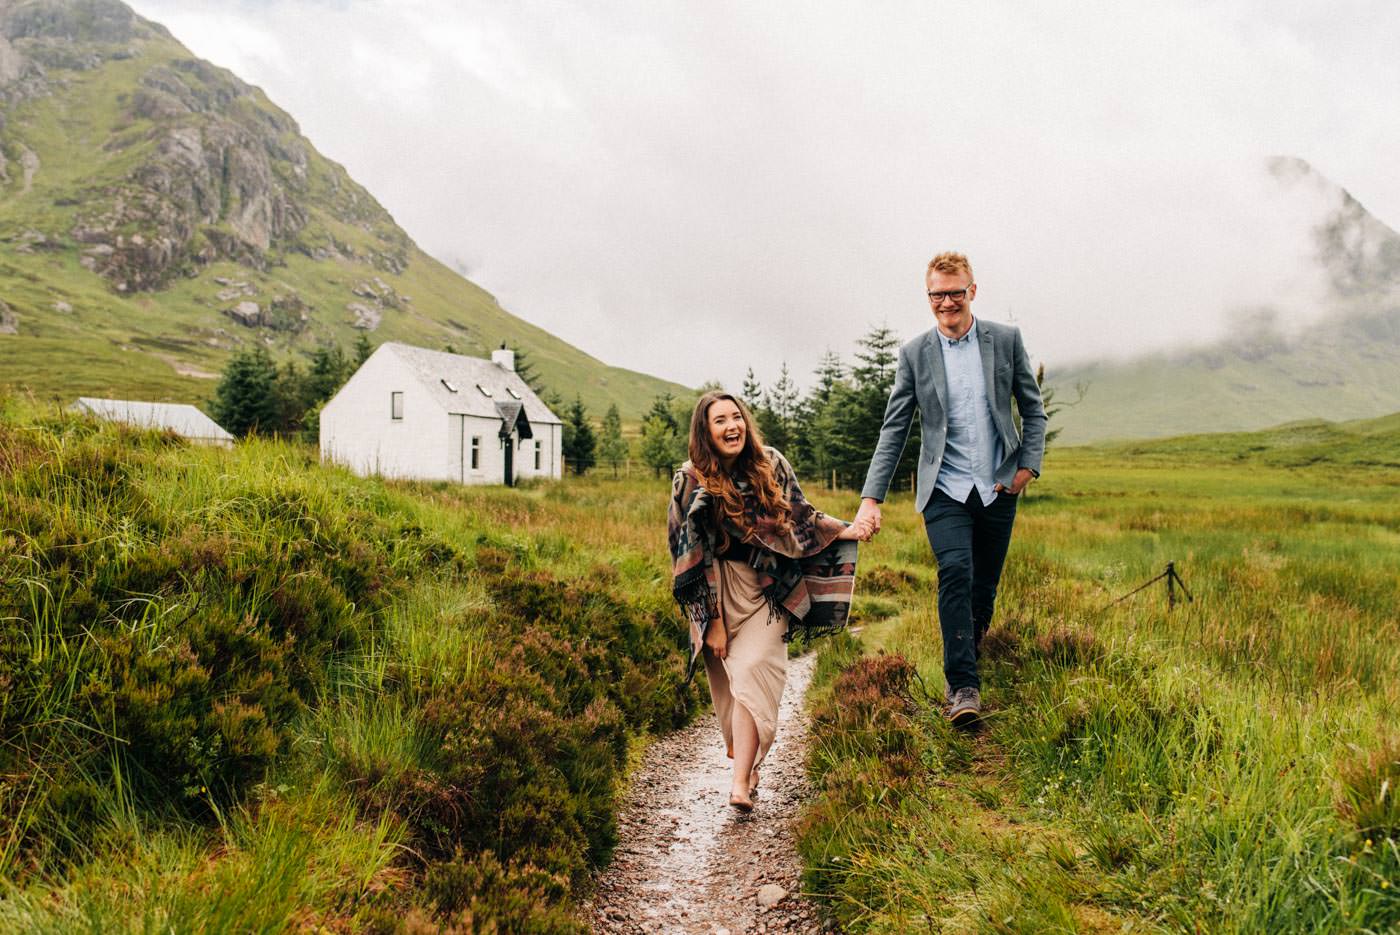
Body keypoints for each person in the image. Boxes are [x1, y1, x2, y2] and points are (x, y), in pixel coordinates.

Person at [855, 252, 1046, 727]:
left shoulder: (1005, 340)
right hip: (944, 488)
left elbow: (1033, 409)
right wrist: (870, 499)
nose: (946, 303)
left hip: (998, 486)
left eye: (954, 292)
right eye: (936, 295)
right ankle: (962, 687)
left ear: (972, 291)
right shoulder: (915, 353)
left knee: (983, 589)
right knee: (956, 571)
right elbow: (893, 429)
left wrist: (1027, 468)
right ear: (929, 296)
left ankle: (970, 654)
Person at [669, 391, 869, 811]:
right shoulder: (689, 480)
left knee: (755, 675)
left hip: (767, 589)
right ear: (705, 432)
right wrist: (713, 621)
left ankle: (739, 784)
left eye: (736, 417)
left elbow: (801, 517)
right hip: (717, 589)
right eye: (719, 420)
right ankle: (750, 764)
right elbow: (685, 554)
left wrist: (847, 530)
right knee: (732, 690)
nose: (731, 426)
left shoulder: (770, 463)